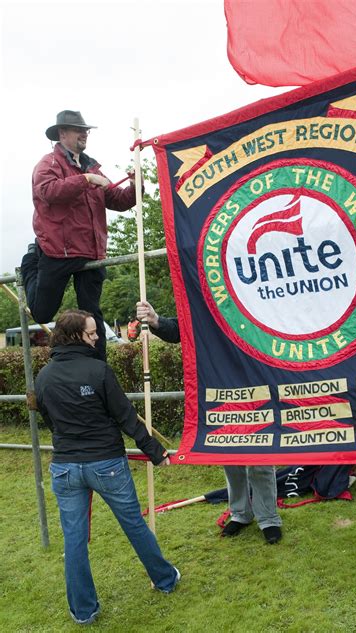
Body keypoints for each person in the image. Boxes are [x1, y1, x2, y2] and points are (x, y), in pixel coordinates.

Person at [35, 309, 180, 625]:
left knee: (73, 540)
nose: (97, 337)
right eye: (91, 333)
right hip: (106, 465)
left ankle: (83, 612)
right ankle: (166, 580)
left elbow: (50, 422)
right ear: (75, 336)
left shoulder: (42, 377)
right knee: (134, 525)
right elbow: (127, 418)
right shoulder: (99, 371)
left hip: (65, 469)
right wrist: (156, 453)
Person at [136, 300, 283, 544]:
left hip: (259, 388)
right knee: (229, 457)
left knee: (260, 457)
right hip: (222, 392)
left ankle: (268, 518)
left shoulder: (258, 303)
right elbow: (180, 329)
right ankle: (240, 514)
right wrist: (155, 320)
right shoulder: (206, 302)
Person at [21, 110, 138, 361]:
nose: (85, 134)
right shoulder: (49, 163)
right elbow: (48, 192)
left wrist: (135, 186)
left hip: (91, 252)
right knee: (42, 313)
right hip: (57, 250)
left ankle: (99, 370)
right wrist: (85, 179)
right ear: (63, 134)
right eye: (79, 130)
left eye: (86, 130)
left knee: (92, 315)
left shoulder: (91, 165)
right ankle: (31, 260)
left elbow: (116, 200)